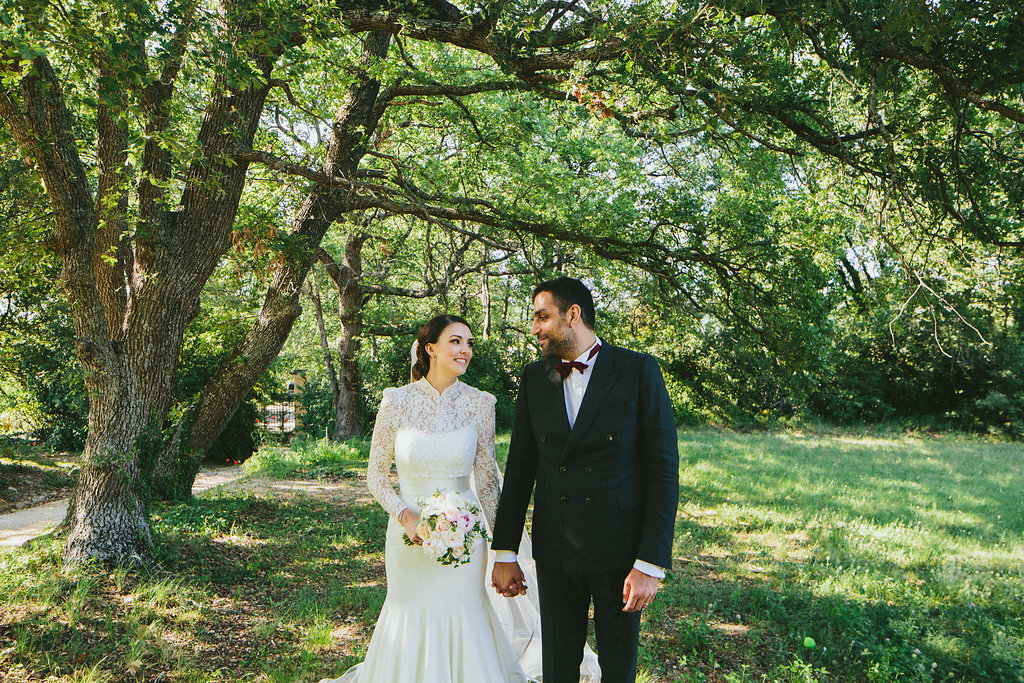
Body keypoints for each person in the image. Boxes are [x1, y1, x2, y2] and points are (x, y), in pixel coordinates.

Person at [491, 277, 680, 683]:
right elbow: (521, 467)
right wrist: (505, 551)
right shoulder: (534, 377)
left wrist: (650, 563)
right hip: (557, 547)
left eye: (543, 317)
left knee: (617, 667)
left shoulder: (637, 370)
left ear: (572, 314)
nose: (535, 328)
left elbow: (663, 471)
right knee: (558, 666)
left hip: (621, 551)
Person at [320, 314, 528, 683]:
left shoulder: (481, 404)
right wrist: (406, 517)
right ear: (430, 348)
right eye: (456, 342)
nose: (465, 350)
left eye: (469, 344)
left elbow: (487, 482)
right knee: (409, 611)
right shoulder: (396, 402)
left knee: (463, 611)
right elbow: (376, 476)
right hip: (407, 538)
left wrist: (504, 552)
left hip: (465, 538)